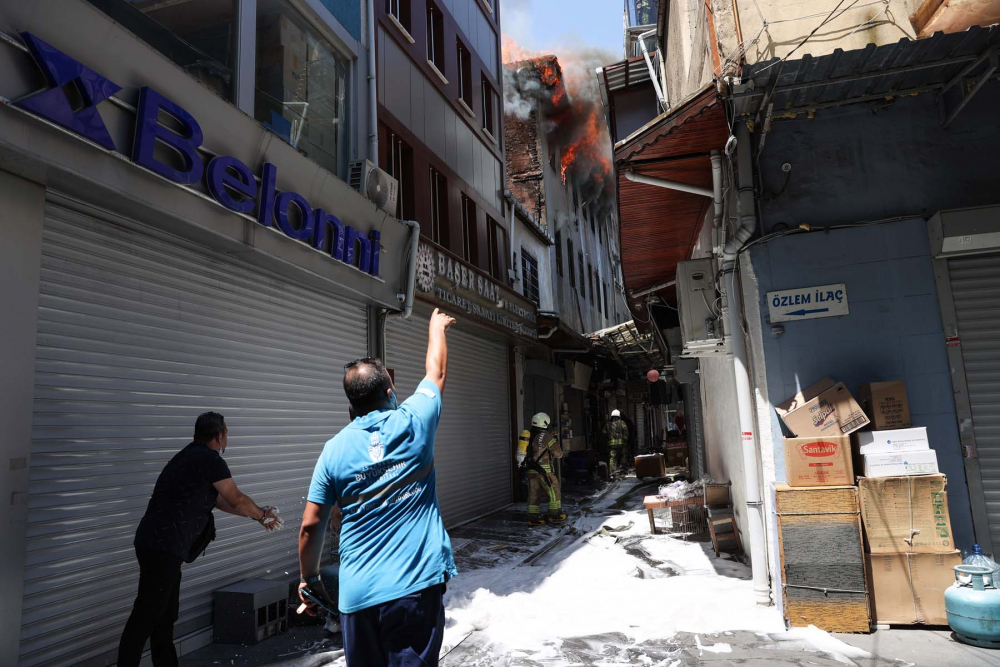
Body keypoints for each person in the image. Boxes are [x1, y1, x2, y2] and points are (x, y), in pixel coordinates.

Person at [298, 308, 457, 667]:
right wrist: (436, 327)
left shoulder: (333, 449)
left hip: (359, 598)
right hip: (414, 589)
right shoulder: (414, 421)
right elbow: (437, 371)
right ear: (390, 390)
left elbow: (311, 527)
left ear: (351, 404)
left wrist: (309, 580)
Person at [118, 412, 279, 667]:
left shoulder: (187, 456)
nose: (227, 439)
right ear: (219, 436)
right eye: (226, 434)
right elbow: (236, 498)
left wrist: (256, 516)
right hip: (164, 547)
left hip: (158, 545)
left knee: (165, 616)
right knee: (146, 616)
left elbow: (220, 501)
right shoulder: (210, 460)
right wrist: (261, 514)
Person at [520, 412, 565, 526]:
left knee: (533, 494)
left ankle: (533, 518)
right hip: (544, 471)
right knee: (554, 491)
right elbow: (558, 453)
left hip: (531, 470)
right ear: (544, 423)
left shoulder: (529, 435)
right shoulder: (546, 435)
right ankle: (555, 515)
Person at [606, 409, 630, 477]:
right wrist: (625, 441)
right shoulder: (622, 423)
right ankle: (622, 469)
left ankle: (612, 472)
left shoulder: (608, 424)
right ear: (619, 416)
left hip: (612, 445)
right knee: (623, 456)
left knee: (612, 458)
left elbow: (603, 432)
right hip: (621, 444)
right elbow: (626, 433)